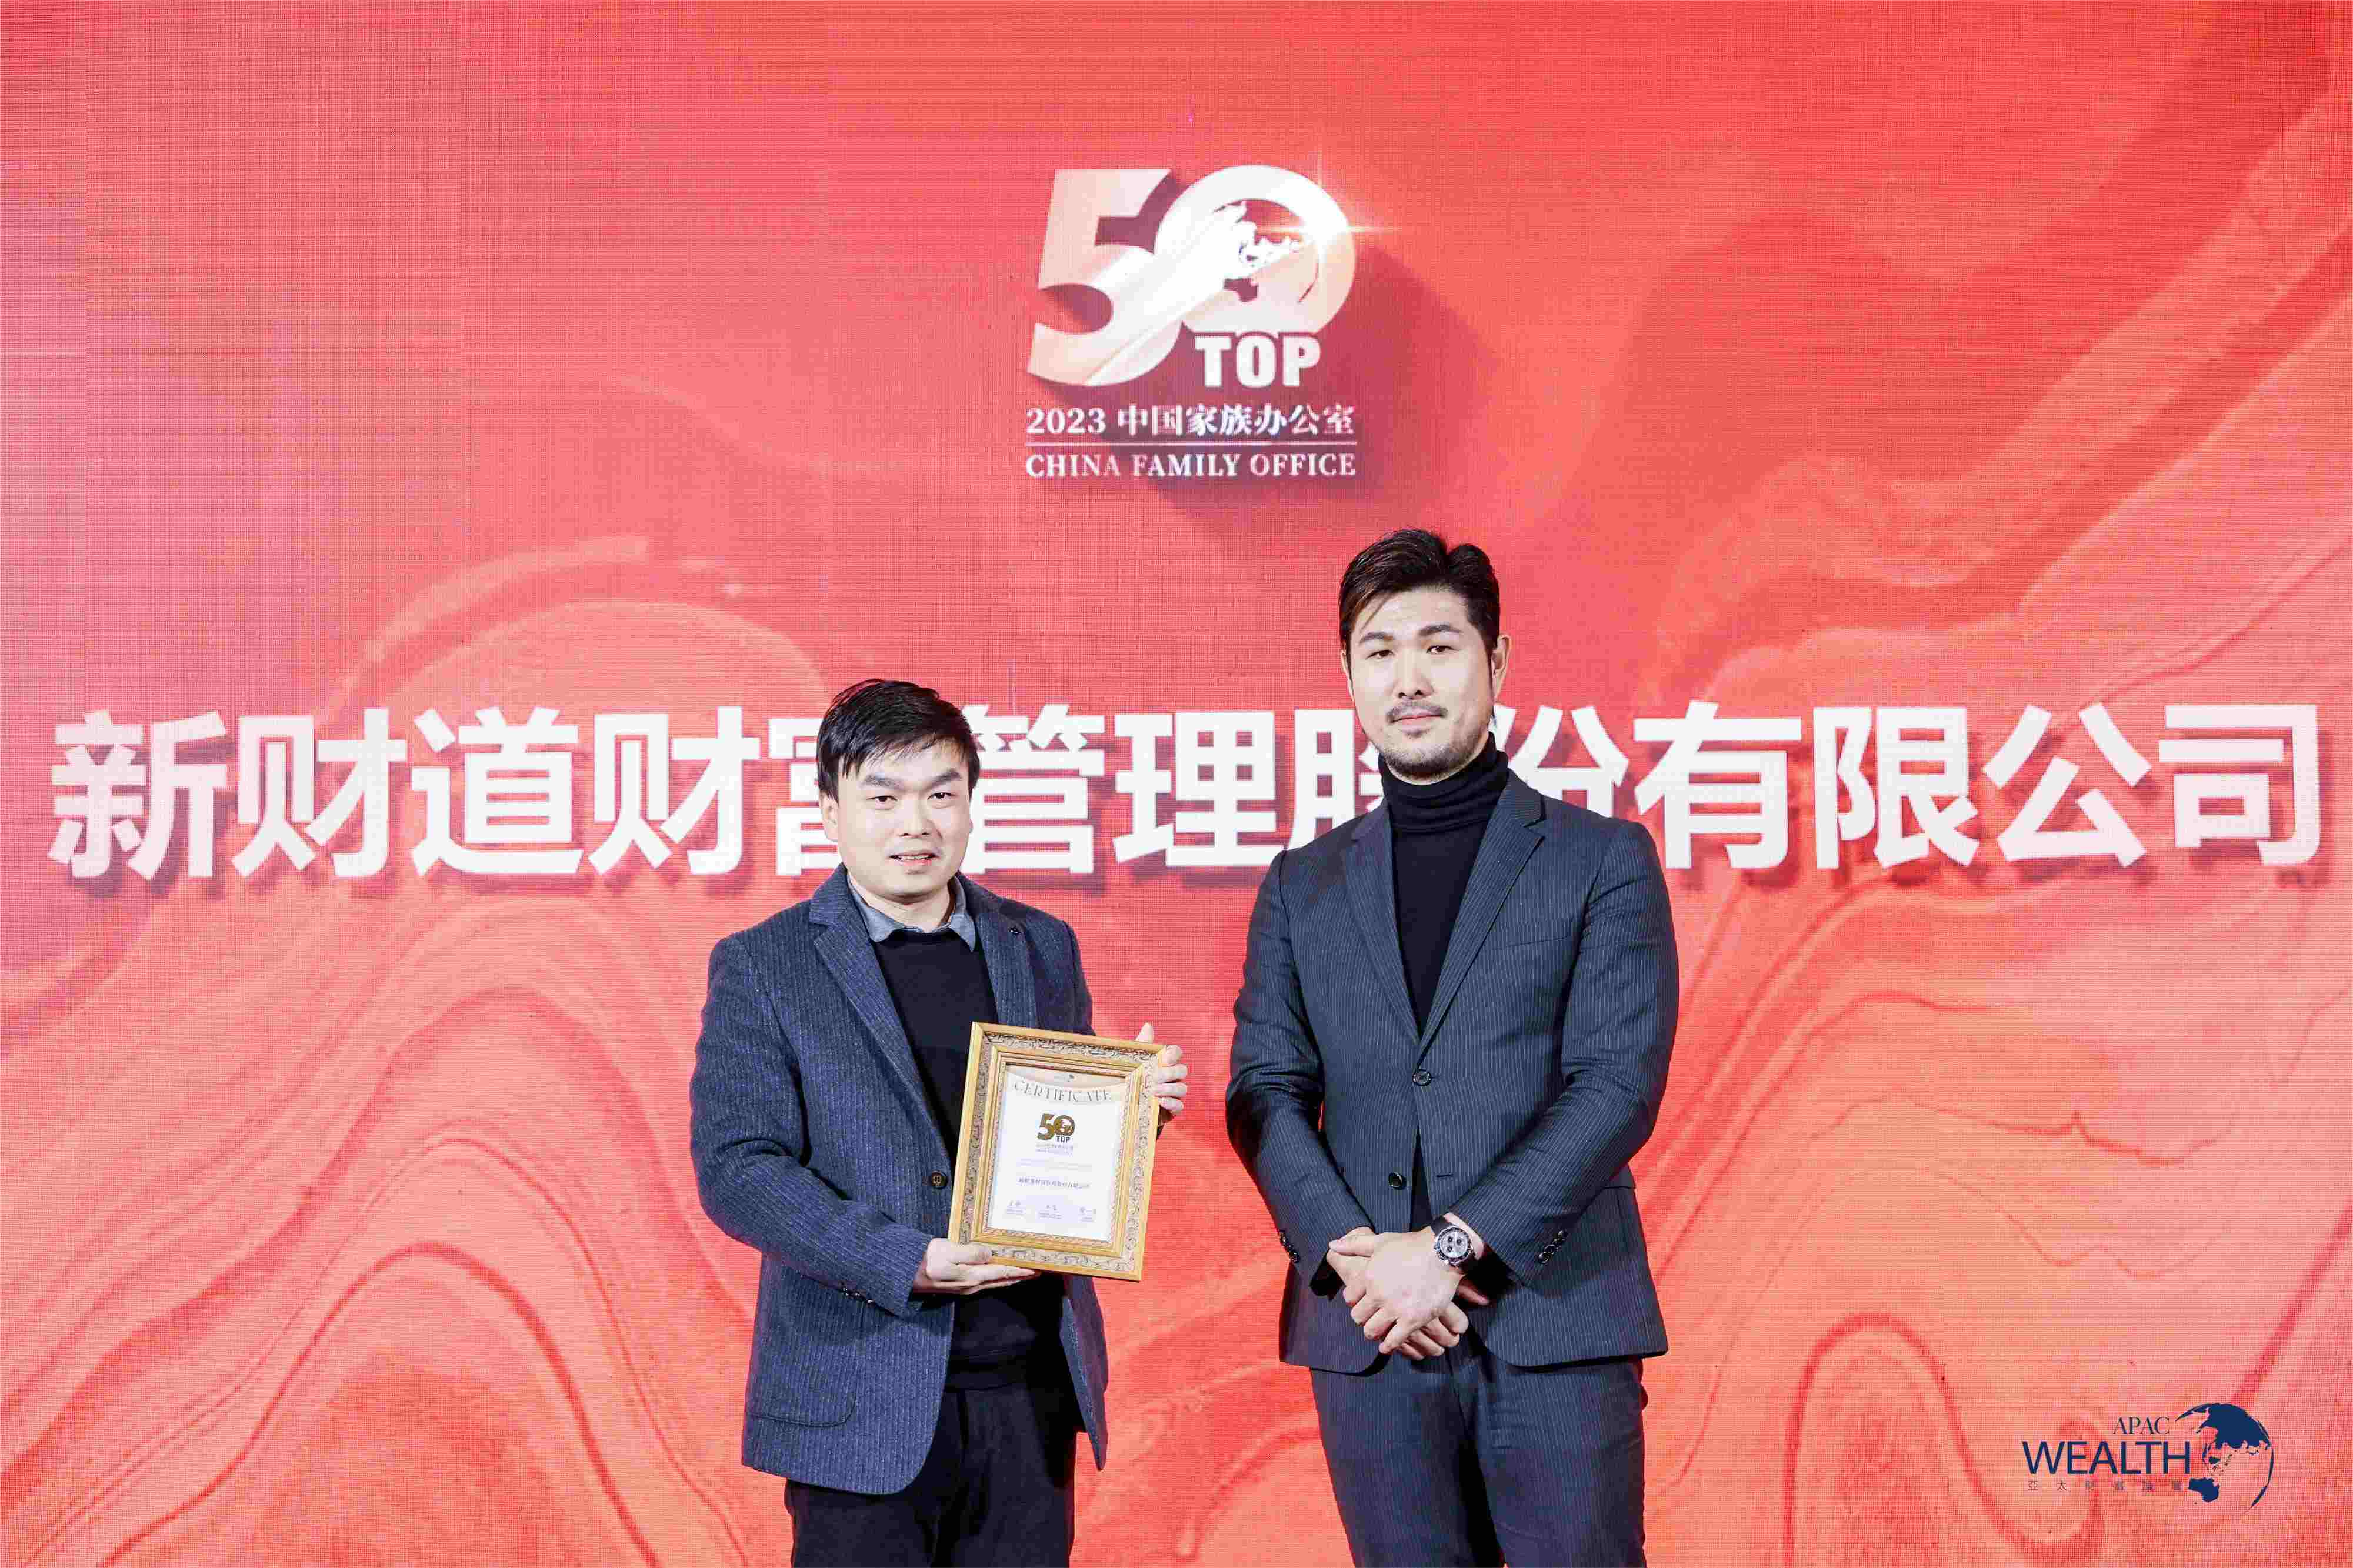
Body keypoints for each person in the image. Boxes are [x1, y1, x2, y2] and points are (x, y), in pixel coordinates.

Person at [1226, 529, 1678, 1566]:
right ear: (1348, 674)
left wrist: (1451, 1248)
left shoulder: (1600, 858)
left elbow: (1616, 1084)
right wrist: (1356, 1254)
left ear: (1497, 660)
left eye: (1439, 646)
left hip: (1554, 1320)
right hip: (1373, 1332)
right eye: (1380, 651)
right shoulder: (1302, 884)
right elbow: (1264, 1088)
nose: (1410, 678)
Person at [691, 678, 1184, 1566]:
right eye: (883, 797)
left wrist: (1131, 1116)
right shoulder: (767, 964)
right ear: (831, 812)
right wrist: (905, 1260)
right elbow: (738, 1167)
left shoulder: (1040, 944)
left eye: (940, 794)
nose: (915, 824)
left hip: (1028, 1388)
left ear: (970, 802)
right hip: (859, 1399)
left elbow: (1052, 1141)